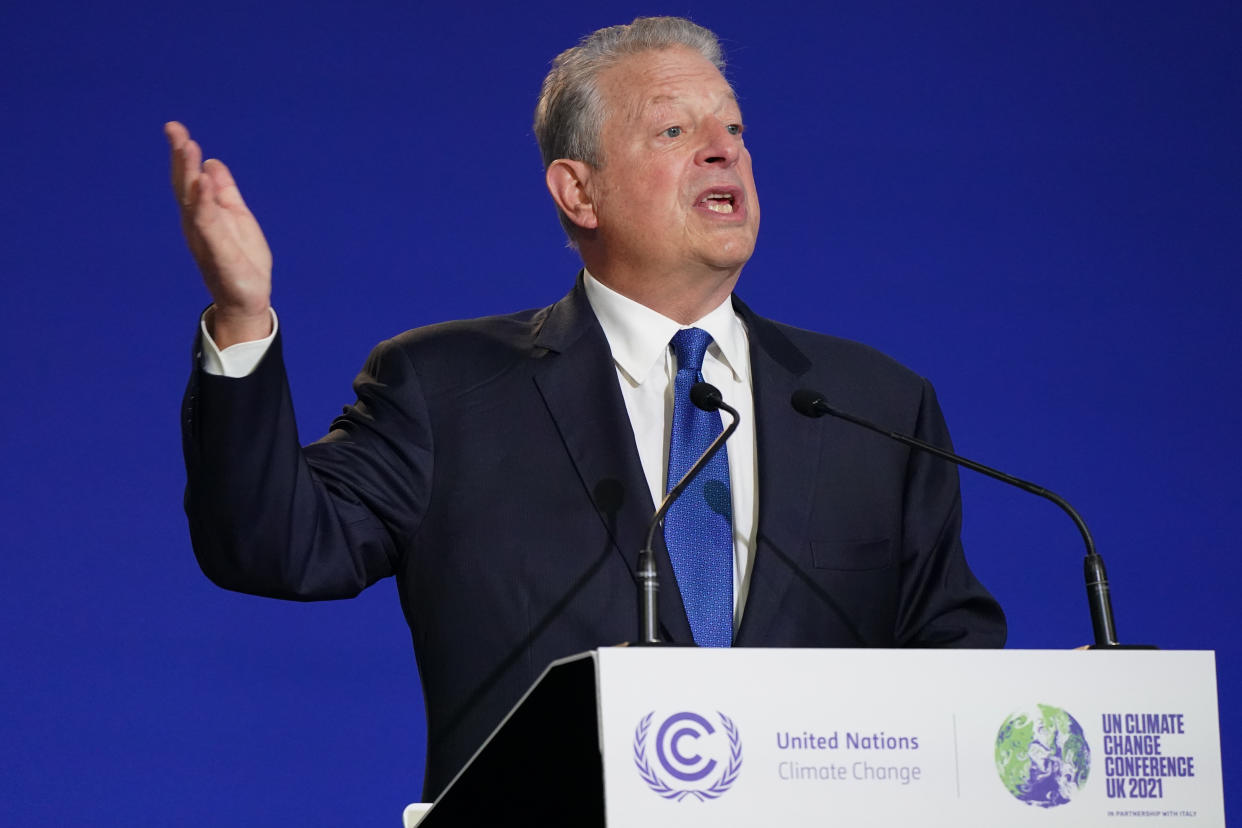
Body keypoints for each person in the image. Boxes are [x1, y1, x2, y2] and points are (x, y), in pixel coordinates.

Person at [168, 16, 1004, 800]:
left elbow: (952, 655)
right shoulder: (446, 388)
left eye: (736, 130)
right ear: (578, 191)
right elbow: (273, 547)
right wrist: (242, 318)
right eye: (676, 133)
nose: (725, 153)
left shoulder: (872, 403)